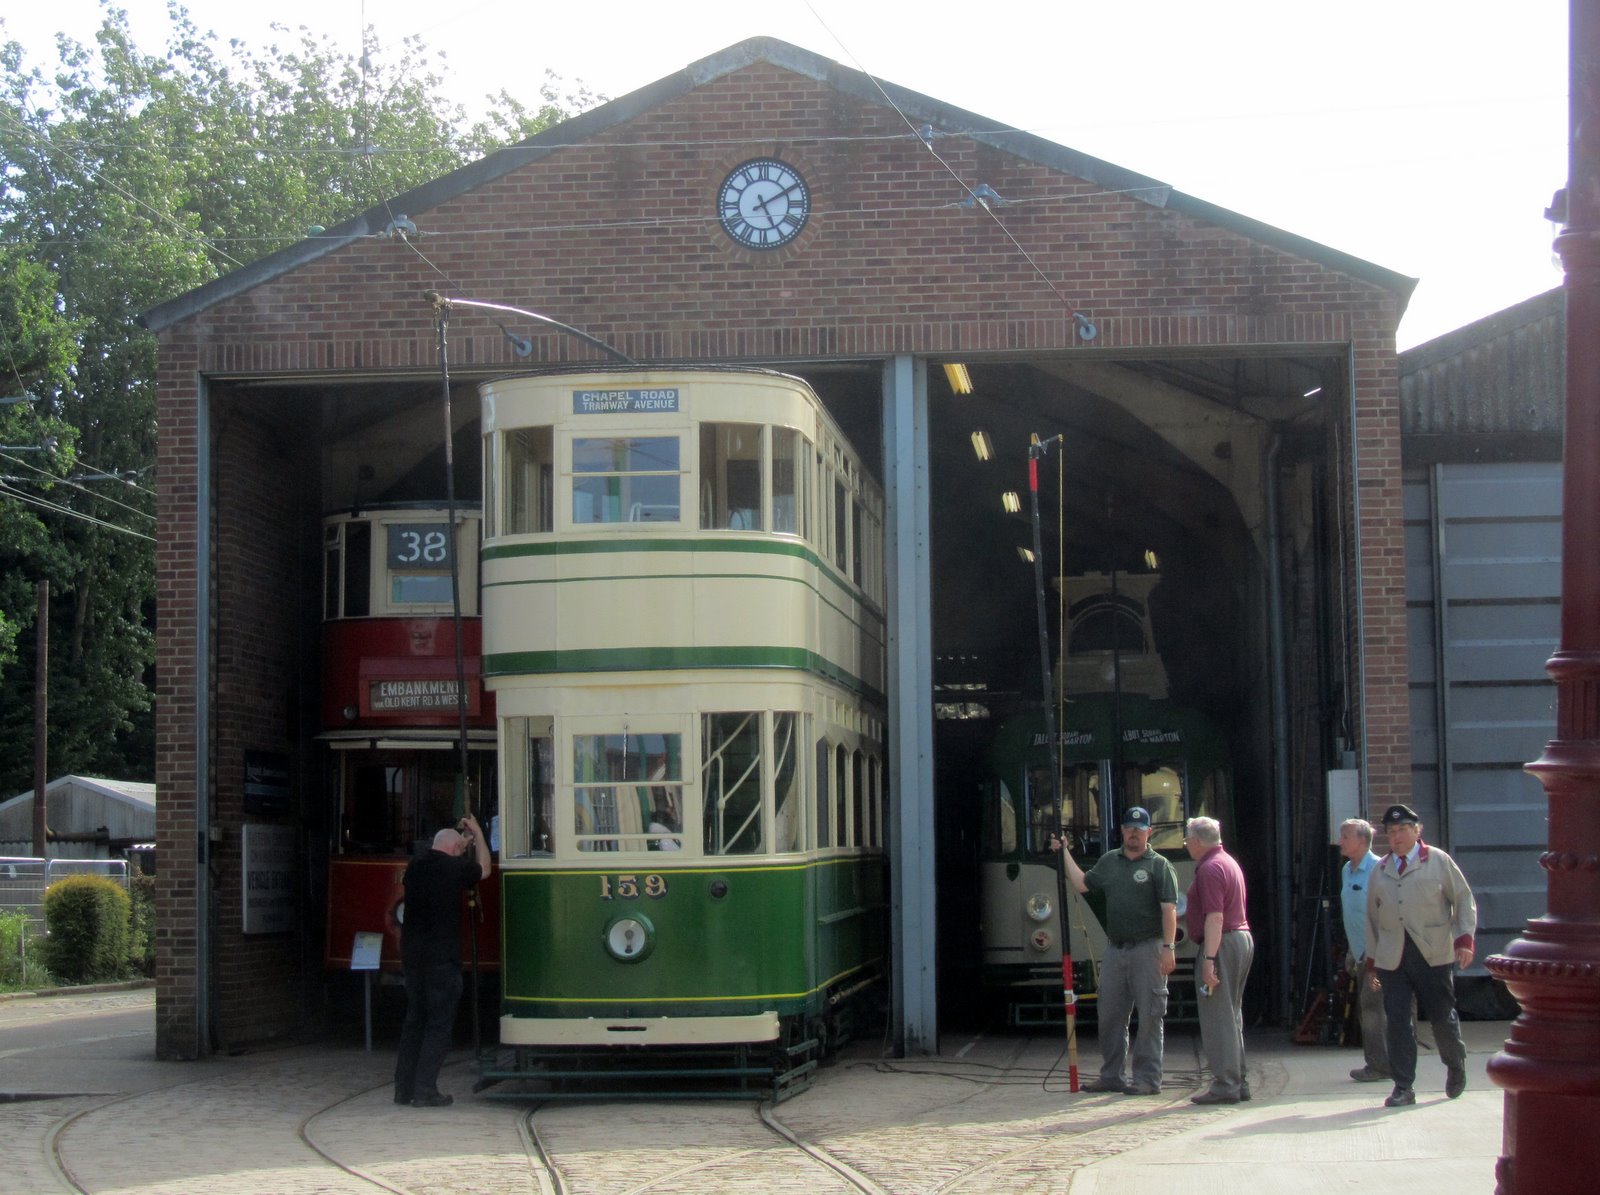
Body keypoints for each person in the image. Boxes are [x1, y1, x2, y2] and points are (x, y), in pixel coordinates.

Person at [1053, 806, 1179, 1096]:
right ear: (1122, 830)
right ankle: (1112, 1075)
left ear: (1149, 832)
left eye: (1139, 828)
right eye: (1128, 827)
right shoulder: (1109, 861)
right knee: (1109, 1014)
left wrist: (1168, 947)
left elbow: (1169, 910)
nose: (1133, 832)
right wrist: (1064, 853)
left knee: (1150, 1015)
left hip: (1148, 948)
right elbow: (1083, 883)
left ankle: (1147, 1079)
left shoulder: (1159, 865)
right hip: (1115, 950)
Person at [1365, 803, 1477, 1108]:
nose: (1397, 836)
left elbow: (1463, 899)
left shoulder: (1438, 861)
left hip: (1433, 953)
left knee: (1442, 1016)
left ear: (1417, 831)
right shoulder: (1381, 869)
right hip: (1393, 958)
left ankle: (1455, 1064)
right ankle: (1403, 1086)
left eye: (1403, 830)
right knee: (1398, 1021)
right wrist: (1373, 964)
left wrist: (1464, 940)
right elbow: (1372, 918)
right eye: (1391, 831)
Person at [394, 811, 491, 1109]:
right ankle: (425, 1090)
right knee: (438, 1025)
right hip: (440, 958)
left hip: (413, 956)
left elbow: (446, 848)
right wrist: (478, 835)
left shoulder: (416, 866)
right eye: (460, 850)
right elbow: (484, 869)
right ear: (453, 852)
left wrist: (461, 841)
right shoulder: (452, 869)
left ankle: (404, 1090)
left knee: (414, 1021)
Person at [1183, 816, 1254, 1104]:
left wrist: (1209, 959)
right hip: (1239, 938)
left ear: (1197, 841)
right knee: (1232, 1013)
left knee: (1218, 1015)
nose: (1187, 844)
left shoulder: (1210, 869)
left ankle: (1226, 1083)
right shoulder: (1228, 862)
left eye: (1187, 839)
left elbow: (1215, 916)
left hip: (1222, 942)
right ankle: (1239, 1079)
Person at [1338, 817, 1389, 1082]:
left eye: (1345, 836)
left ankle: (1380, 1066)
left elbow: (1385, 914)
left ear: (1362, 840)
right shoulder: (1347, 869)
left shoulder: (1378, 869)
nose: (1340, 841)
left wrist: (1375, 956)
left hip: (1378, 955)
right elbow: (1353, 914)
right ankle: (1382, 1062)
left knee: (1373, 1011)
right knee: (1368, 1010)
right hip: (1360, 953)